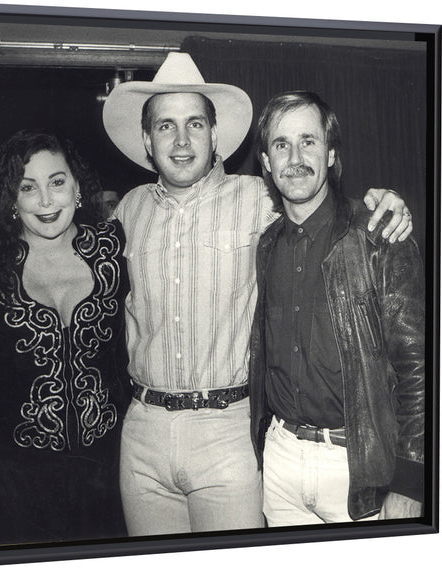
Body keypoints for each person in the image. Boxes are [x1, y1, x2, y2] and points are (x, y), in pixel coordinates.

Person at [101, 52, 414, 536]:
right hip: (143, 430)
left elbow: (322, 205)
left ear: (215, 135)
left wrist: (386, 202)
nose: (181, 140)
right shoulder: (126, 211)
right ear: (147, 140)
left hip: (229, 430)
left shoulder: (258, 199)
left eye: (195, 124)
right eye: (165, 126)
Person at [249, 91, 424, 526]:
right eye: (281, 144)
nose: (295, 156)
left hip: (360, 466)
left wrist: (411, 483)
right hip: (281, 462)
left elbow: (419, 370)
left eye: (309, 141)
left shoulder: (378, 235)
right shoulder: (266, 245)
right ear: (266, 162)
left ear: (329, 153)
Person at [0, 129, 131, 547]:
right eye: (28, 188)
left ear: (78, 187)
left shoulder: (114, 250)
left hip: (107, 477)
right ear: (11, 201)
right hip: (11, 481)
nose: (47, 201)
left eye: (57, 182)